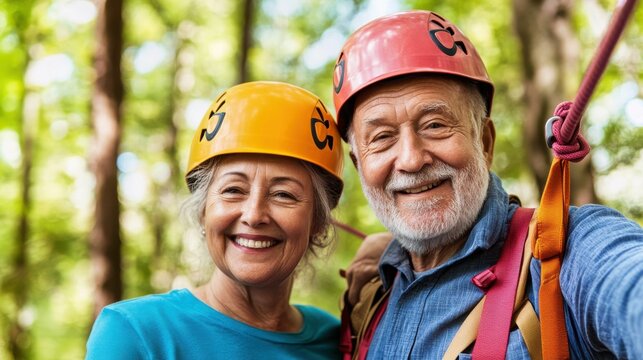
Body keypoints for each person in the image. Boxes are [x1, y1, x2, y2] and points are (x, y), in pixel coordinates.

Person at [333, 10, 643, 359]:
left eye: (435, 125)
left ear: (485, 141)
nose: (410, 159)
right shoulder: (370, 300)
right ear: (359, 166)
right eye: (382, 137)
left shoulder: (567, 252)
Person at [86, 81, 344, 359]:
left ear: (318, 222)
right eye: (233, 190)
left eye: (284, 194)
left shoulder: (334, 341)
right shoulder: (136, 333)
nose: (254, 215)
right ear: (203, 211)